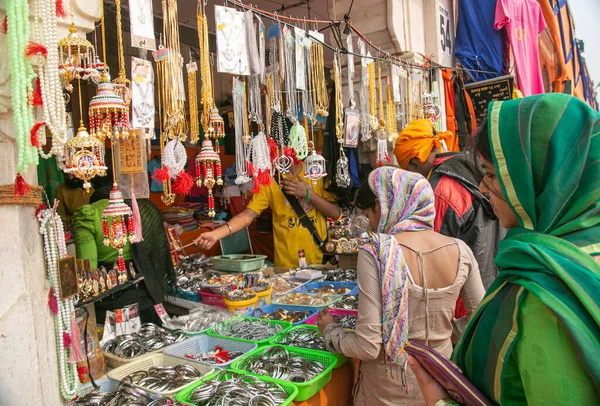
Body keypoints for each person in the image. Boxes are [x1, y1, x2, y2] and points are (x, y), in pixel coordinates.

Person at [410, 94, 600, 405]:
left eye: (491, 175)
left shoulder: (544, 300)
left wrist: (439, 401)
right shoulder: (565, 253)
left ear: (536, 177)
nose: (483, 189)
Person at [316, 167, 485, 406]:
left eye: (369, 214)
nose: (372, 225)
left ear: (383, 204)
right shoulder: (460, 249)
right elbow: (481, 319)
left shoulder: (377, 251)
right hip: (441, 385)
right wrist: (443, 333)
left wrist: (331, 331)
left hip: (387, 393)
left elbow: (367, 346)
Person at [194, 162, 341, 268]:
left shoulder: (316, 173)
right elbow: (246, 216)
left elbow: (336, 214)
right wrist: (216, 234)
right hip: (286, 267)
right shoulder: (269, 181)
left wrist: (309, 194)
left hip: (320, 262)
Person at [72, 179, 175, 324]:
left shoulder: (89, 214)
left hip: (113, 295)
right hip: (150, 288)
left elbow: (87, 266)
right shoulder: (143, 208)